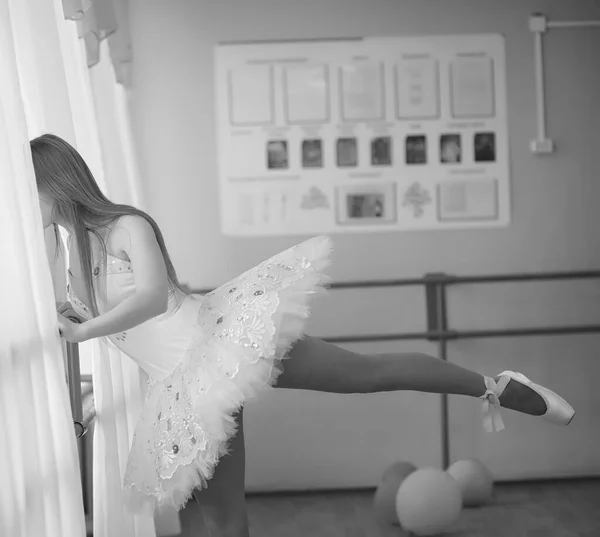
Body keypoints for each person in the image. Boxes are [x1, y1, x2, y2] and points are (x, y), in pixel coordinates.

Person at [33, 133, 574, 537]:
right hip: (175, 384)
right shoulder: (63, 253)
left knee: (365, 375)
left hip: (217, 348)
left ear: (54, 183)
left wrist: (83, 331)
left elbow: (150, 298)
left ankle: (495, 386)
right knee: (199, 513)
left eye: (27, 190)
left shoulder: (128, 226)